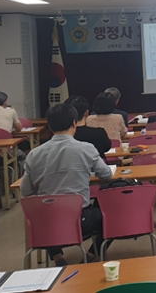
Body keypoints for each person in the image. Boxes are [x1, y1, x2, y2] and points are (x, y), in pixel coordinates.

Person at [20, 104, 113, 266]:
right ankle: (90, 256)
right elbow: (106, 175)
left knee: (48, 210)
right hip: (81, 220)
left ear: (49, 126)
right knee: (112, 217)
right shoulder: (86, 149)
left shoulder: (34, 154)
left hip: (46, 222)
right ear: (74, 123)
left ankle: (57, 257)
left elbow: (26, 191)